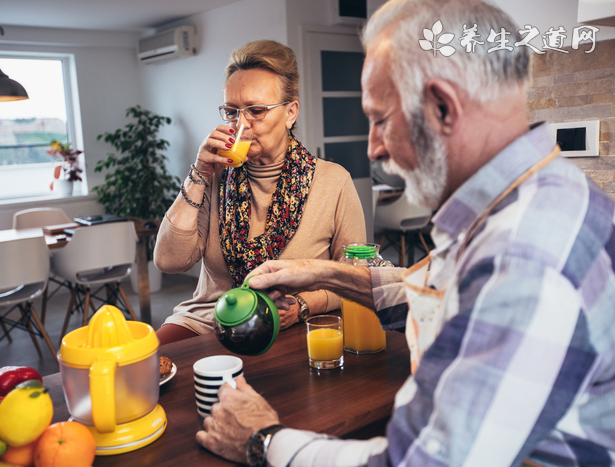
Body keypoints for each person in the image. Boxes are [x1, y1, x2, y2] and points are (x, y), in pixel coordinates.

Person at [195, 0, 615, 465]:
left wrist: (264, 440)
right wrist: (322, 273)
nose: (374, 148)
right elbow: (437, 291)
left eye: (379, 120)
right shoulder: (528, 195)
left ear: (442, 107)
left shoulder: (525, 254)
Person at [153, 40, 368, 344]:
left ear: (291, 112)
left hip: (288, 324)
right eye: (231, 111)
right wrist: (198, 173)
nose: (241, 123)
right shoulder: (214, 176)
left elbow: (355, 276)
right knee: (142, 367)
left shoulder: (333, 181)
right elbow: (168, 261)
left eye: (256, 110)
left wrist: (305, 304)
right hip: (211, 318)